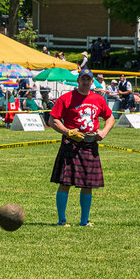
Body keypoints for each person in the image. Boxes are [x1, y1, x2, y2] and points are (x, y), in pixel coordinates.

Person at [48, 69, 114, 227]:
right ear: (78, 81)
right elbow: (53, 120)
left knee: (88, 184)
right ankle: (61, 220)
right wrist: (67, 132)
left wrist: (104, 131)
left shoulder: (98, 99)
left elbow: (110, 117)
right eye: (82, 79)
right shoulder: (66, 98)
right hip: (71, 144)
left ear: (92, 82)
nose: (85, 82)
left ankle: (84, 221)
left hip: (90, 144)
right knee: (65, 182)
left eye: (88, 79)